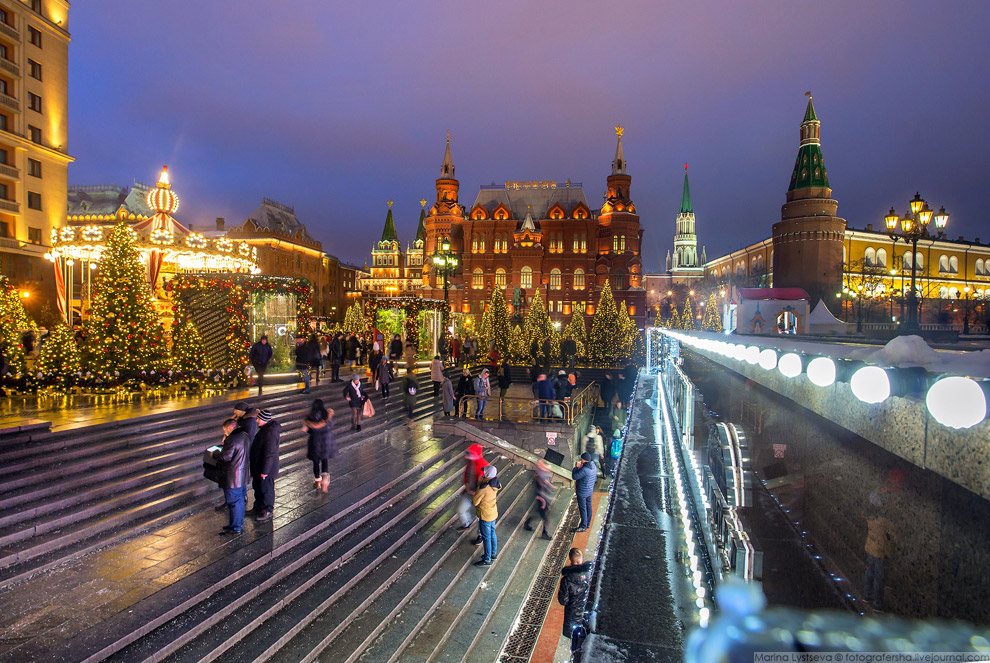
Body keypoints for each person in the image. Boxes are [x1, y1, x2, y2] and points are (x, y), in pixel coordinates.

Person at [214, 418, 250, 535]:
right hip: (241, 474)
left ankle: (235, 528)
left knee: (234, 502)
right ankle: (236, 524)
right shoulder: (245, 435)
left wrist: (216, 453)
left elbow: (225, 457)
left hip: (232, 476)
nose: (225, 433)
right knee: (238, 501)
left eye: (225, 430)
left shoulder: (232, 439)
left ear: (230, 427)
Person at [250, 409, 280, 522]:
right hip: (259, 466)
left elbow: (269, 453)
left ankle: (267, 509)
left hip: (266, 468)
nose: (257, 421)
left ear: (264, 420)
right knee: (258, 487)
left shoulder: (270, 433)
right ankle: (258, 507)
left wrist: (265, 471)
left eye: (258, 419)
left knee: (266, 489)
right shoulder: (265, 430)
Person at [557, 548, 592, 640]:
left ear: (571, 560)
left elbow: (563, 601)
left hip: (572, 614)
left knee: (573, 637)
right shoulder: (590, 573)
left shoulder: (567, 580)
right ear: (581, 559)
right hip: (587, 611)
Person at [457, 443, 489, 542]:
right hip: (469, 493)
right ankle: (466, 524)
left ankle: (480, 535)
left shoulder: (484, 466)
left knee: (480, 517)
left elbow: (487, 483)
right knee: (461, 510)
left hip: (480, 496)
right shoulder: (470, 464)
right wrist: (467, 487)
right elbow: (466, 477)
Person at [303, 399, 336, 493]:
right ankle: (325, 480)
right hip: (325, 441)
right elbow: (330, 427)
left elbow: (307, 430)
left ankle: (317, 481)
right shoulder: (326, 415)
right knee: (325, 460)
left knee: (315, 462)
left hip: (314, 442)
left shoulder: (310, 417)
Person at [472, 464, 500, 566]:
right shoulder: (496, 483)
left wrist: (479, 487)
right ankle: (493, 554)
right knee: (492, 534)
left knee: (486, 538)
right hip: (493, 513)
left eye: (484, 472)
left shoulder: (484, 488)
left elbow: (475, 502)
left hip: (485, 515)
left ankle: (487, 559)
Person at [524, 459, 553, 540]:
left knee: (539, 515)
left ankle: (528, 522)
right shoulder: (540, 478)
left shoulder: (542, 477)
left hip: (543, 500)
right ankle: (544, 533)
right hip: (542, 501)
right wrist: (544, 502)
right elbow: (540, 492)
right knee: (544, 517)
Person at [572, 453, 596, 532]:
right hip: (589, 490)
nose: (580, 460)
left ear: (584, 460)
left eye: (581, 459)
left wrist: (576, 467)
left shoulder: (585, 469)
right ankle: (588, 523)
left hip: (582, 492)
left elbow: (575, 476)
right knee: (588, 506)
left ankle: (583, 526)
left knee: (583, 509)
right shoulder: (593, 466)